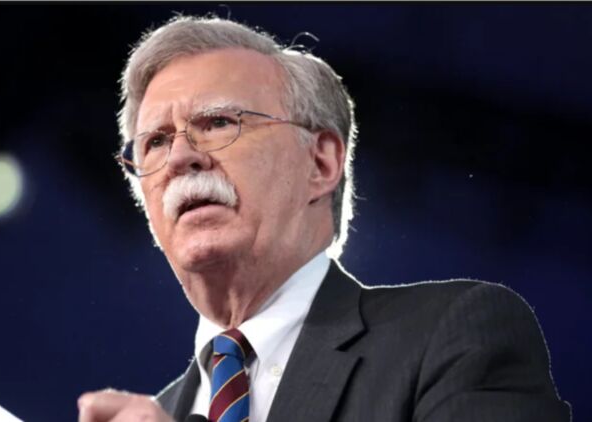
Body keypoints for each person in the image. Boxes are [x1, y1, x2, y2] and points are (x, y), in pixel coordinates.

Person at [78, 15, 570, 422]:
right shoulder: (162, 411)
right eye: (155, 142)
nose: (181, 157)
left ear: (320, 163)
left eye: (219, 122)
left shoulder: (452, 339)